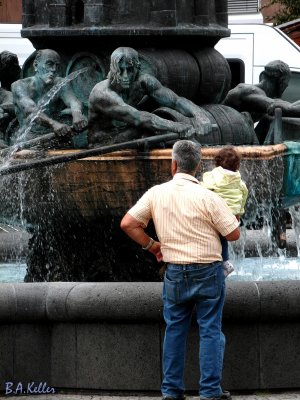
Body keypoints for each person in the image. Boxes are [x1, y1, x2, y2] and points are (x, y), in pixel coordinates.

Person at [120, 140, 240, 400]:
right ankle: (210, 392)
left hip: (174, 271)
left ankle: (172, 391)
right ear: (197, 166)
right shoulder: (209, 196)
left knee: (175, 329)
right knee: (210, 330)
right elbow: (233, 234)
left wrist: (153, 246)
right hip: (208, 271)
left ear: (173, 164)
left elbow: (128, 223)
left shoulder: (156, 193)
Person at [88, 47, 213, 146]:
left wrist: (199, 114)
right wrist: (176, 126)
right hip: (103, 142)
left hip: (130, 132)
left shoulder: (144, 81)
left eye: (130, 70)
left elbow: (176, 101)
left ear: (137, 68)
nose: (125, 76)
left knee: (183, 140)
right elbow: (138, 117)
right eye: (120, 71)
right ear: (113, 69)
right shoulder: (101, 94)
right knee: (148, 131)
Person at [11, 49, 87, 144]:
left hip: (55, 136)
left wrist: (77, 114)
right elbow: (30, 110)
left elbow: (73, 101)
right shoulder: (19, 86)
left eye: (57, 66)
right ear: (36, 65)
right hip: (30, 140)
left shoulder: (60, 83)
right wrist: (53, 124)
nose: (54, 69)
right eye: (49, 64)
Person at [201, 146, 248, 277]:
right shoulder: (239, 181)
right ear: (237, 165)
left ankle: (217, 261)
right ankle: (225, 261)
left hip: (215, 212)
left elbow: (204, 188)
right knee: (223, 236)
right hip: (231, 214)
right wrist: (238, 213)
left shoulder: (212, 176)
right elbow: (243, 195)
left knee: (214, 235)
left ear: (216, 162)